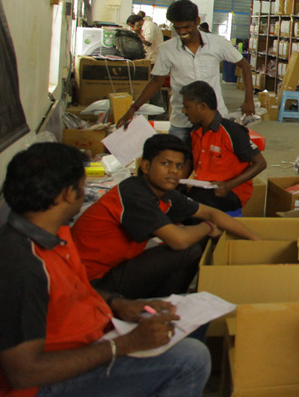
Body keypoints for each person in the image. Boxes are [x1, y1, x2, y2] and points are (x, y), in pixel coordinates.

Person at [0, 142, 210, 397]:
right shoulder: (20, 265)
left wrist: (119, 303)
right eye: (82, 186)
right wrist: (123, 344)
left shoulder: (57, 233)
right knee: (191, 359)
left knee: (192, 316)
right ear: (68, 194)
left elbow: (75, 291)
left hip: (97, 332)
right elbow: (24, 373)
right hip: (48, 381)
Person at [71, 134, 262, 300]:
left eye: (179, 166)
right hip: (90, 283)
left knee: (194, 240)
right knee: (187, 247)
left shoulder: (165, 193)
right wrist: (208, 227)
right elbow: (179, 241)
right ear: (145, 166)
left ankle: (164, 302)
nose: (174, 171)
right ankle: (162, 306)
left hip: (115, 268)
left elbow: (212, 213)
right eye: (165, 163)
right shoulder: (133, 193)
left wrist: (257, 242)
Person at [118, 0, 254, 141]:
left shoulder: (217, 43)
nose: (182, 32)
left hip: (214, 119)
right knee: (178, 154)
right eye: (177, 28)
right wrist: (133, 108)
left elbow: (244, 66)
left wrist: (249, 100)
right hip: (182, 121)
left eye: (186, 27)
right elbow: (156, 81)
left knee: (213, 155)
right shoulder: (167, 49)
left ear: (197, 21)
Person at [180, 80, 266, 212]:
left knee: (193, 204)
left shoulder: (232, 131)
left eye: (187, 107)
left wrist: (228, 185)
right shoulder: (194, 132)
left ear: (202, 106)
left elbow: (260, 163)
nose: (183, 111)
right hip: (203, 188)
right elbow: (189, 162)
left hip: (231, 191)